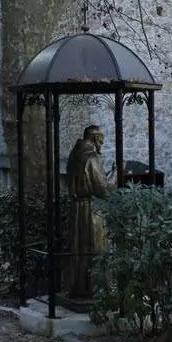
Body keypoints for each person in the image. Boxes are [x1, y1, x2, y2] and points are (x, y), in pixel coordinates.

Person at [66, 125, 115, 299]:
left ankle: (79, 286)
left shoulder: (74, 155)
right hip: (91, 210)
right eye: (101, 138)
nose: (103, 141)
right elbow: (102, 188)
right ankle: (96, 289)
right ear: (95, 138)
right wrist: (117, 173)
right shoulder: (92, 157)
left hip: (77, 209)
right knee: (95, 247)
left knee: (79, 247)